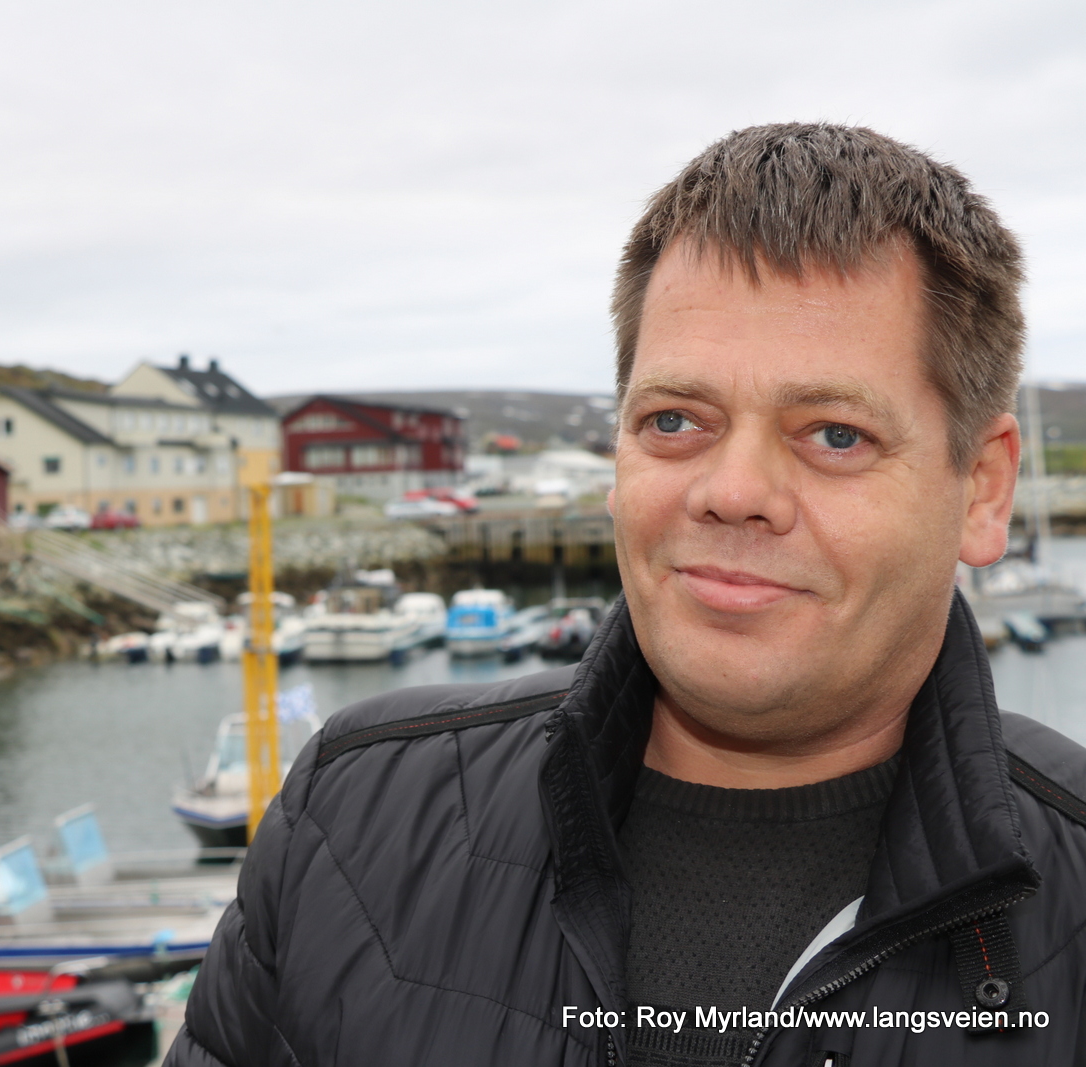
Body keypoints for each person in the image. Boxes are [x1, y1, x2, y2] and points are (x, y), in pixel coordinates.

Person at [166, 124, 1086, 1066]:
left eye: (835, 434)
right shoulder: (352, 824)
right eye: (675, 419)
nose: (731, 491)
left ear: (981, 489)